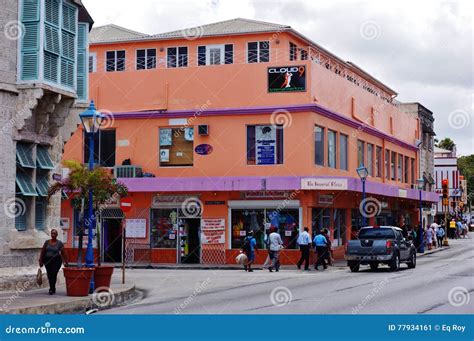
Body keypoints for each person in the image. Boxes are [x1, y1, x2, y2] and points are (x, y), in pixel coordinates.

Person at [39, 229, 68, 295]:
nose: (53, 235)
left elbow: (64, 252)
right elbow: (43, 251)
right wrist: (40, 260)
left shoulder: (59, 243)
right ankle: (52, 287)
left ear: (57, 235)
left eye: (54, 234)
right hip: (47, 260)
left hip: (56, 261)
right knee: (49, 274)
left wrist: (66, 261)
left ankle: (51, 289)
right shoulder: (47, 242)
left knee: (54, 274)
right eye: (52, 233)